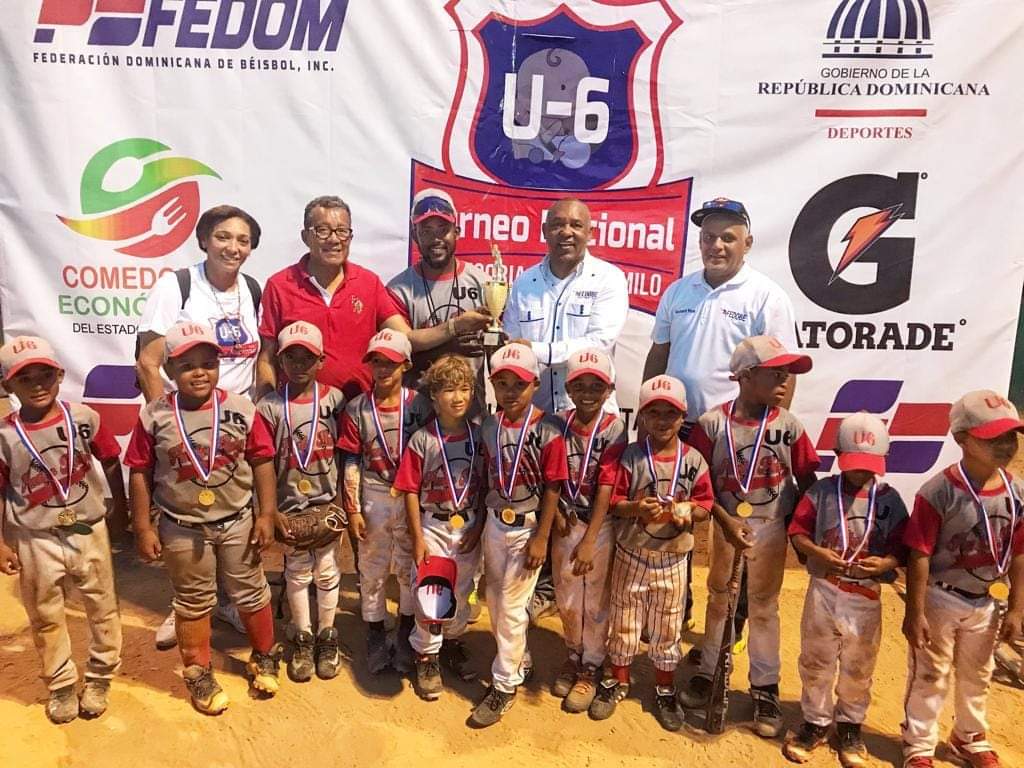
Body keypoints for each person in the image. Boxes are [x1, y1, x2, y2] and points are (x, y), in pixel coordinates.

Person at [645, 196, 800, 643]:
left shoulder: (766, 296)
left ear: (747, 243)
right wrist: (647, 409)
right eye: (709, 236)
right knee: (678, 516)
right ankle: (680, 605)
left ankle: (731, 622)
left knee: (737, 527)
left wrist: (770, 429)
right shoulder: (679, 291)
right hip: (682, 427)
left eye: (727, 237)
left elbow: (781, 370)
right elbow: (659, 352)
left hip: (738, 434)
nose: (716, 245)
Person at [124, 322, 281, 715]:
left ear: (219, 365)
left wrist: (266, 513)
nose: (199, 372)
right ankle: (198, 670)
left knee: (251, 589)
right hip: (181, 526)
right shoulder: (154, 416)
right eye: (187, 365)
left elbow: (262, 460)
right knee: (193, 601)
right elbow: (140, 471)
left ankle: (264, 654)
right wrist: (142, 526)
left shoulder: (242, 409)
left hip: (237, 520)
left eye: (208, 364)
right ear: (170, 370)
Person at [136, 204, 263, 648]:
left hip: (233, 425)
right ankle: (186, 604)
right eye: (224, 237)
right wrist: (169, 428)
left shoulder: (251, 288)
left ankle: (229, 601)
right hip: (187, 427)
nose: (234, 247)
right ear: (204, 239)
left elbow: (254, 359)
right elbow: (149, 362)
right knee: (186, 519)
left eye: (243, 240)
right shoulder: (178, 285)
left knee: (232, 512)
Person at [679, 335, 819, 738]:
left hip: (770, 524)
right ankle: (710, 670)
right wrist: (723, 520)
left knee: (763, 605)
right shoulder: (711, 423)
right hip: (728, 524)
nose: (784, 381)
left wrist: (803, 531)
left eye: (787, 374)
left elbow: (808, 480)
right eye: (774, 373)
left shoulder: (789, 426)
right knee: (719, 597)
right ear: (743, 377)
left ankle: (765, 686)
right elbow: (697, 483)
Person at [502, 197, 629, 625]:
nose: (566, 232)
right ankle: (547, 587)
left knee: (592, 506)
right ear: (544, 231)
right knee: (547, 503)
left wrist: (532, 350)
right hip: (539, 418)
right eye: (557, 225)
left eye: (576, 225)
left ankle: (596, 600)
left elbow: (597, 344)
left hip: (590, 418)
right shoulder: (525, 284)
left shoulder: (608, 279)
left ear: (590, 232)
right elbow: (512, 349)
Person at [0, 336, 126, 724]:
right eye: (25, 379)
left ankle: (101, 675)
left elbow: (110, 463)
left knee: (102, 605)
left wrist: (118, 509)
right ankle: (59, 683)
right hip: (34, 536)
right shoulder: (5, 436)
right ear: (8, 387)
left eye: (45, 374)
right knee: (45, 613)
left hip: (87, 527)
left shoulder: (85, 418)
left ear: (60, 375)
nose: (37, 384)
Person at [900, 391, 1024, 768]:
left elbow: (1019, 550)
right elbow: (919, 553)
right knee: (930, 671)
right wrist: (915, 610)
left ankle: (967, 736)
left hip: (987, 599)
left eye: (1011, 436)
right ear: (962, 439)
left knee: (978, 673)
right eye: (993, 438)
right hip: (941, 597)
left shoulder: (1017, 491)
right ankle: (919, 744)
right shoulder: (938, 491)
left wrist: (1017, 607)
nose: (1006, 445)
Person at [256, 195, 473, 401]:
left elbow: (406, 338)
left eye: (342, 231)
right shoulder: (280, 285)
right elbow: (266, 358)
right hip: (299, 415)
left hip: (359, 415)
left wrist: (455, 326)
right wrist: (267, 410)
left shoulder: (368, 283)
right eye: (322, 231)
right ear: (305, 237)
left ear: (350, 237)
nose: (334, 239)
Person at [784, 413, 908, 767]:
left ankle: (850, 723)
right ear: (838, 454)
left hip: (866, 595)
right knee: (816, 659)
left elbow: (903, 547)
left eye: (870, 466)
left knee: (859, 664)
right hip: (825, 589)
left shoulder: (889, 499)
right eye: (853, 464)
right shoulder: (822, 492)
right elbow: (798, 532)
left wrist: (886, 564)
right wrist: (816, 551)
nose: (861, 472)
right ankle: (816, 720)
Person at [591, 375, 714, 731]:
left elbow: (706, 504)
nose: (663, 420)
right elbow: (613, 502)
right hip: (633, 551)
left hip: (674, 556)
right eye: (654, 413)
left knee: (668, 623)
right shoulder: (631, 456)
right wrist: (634, 508)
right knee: (625, 619)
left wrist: (690, 511)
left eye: (671, 413)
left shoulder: (693, 459)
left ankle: (664, 687)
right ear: (641, 417)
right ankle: (617, 679)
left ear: (683, 416)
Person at [470, 343, 567, 728]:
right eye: (503, 383)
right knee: (495, 601)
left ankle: (505, 683)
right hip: (496, 521)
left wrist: (542, 537)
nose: (511, 392)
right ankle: (520, 659)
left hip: (527, 527)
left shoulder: (548, 428)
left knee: (511, 607)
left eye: (520, 384)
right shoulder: (490, 426)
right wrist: (478, 526)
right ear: (492, 384)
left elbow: (553, 488)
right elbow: (484, 479)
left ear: (535, 385)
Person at [255, 321, 346, 683]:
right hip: (288, 504)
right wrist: (269, 509)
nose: (298, 365)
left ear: (321, 360)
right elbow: (261, 462)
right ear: (280, 362)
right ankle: (303, 635)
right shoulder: (270, 407)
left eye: (307, 357)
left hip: (326, 502)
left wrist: (341, 501)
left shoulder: (335, 400)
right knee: (296, 572)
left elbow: (345, 453)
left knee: (326, 570)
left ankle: (327, 634)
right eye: (290, 357)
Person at [338, 330, 432, 675]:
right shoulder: (358, 408)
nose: (382, 370)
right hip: (374, 493)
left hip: (411, 497)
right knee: (372, 567)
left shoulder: (420, 405)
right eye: (376, 362)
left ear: (405, 365)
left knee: (410, 567)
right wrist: (352, 509)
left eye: (390, 363)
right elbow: (350, 460)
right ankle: (375, 631)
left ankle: (406, 629)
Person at [393, 354, 484, 700]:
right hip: (434, 525)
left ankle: (452, 643)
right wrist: (418, 538)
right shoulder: (422, 440)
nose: (457, 397)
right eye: (448, 390)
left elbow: (488, 485)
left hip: (469, 524)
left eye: (464, 389)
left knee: (462, 590)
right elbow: (411, 490)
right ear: (433, 396)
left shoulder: (479, 437)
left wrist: (479, 527)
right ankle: (426, 656)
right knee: (433, 593)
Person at [548, 348, 627, 713]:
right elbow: (550, 476)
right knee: (566, 594)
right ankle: (573, 653)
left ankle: (592, 665)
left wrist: (591, 539)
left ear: (609, 390)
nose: (588, 392)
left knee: (595, 597)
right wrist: (556, 517)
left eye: (597, 385)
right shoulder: (557, 423)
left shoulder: (614, 428)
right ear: (568, 387)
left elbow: (608, 486)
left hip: (598, 524)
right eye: (580, 385)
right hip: (565, 519)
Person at [387, 189, 493, 410]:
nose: (436, 239)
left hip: (470, 415)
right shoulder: (398, 289)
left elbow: (497, 344)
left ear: (457, 231)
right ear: (415, 236)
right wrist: (452, 338)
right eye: (426, 231)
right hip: (417, 411)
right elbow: (399, 348)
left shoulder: (484, 283)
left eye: (443, 229)